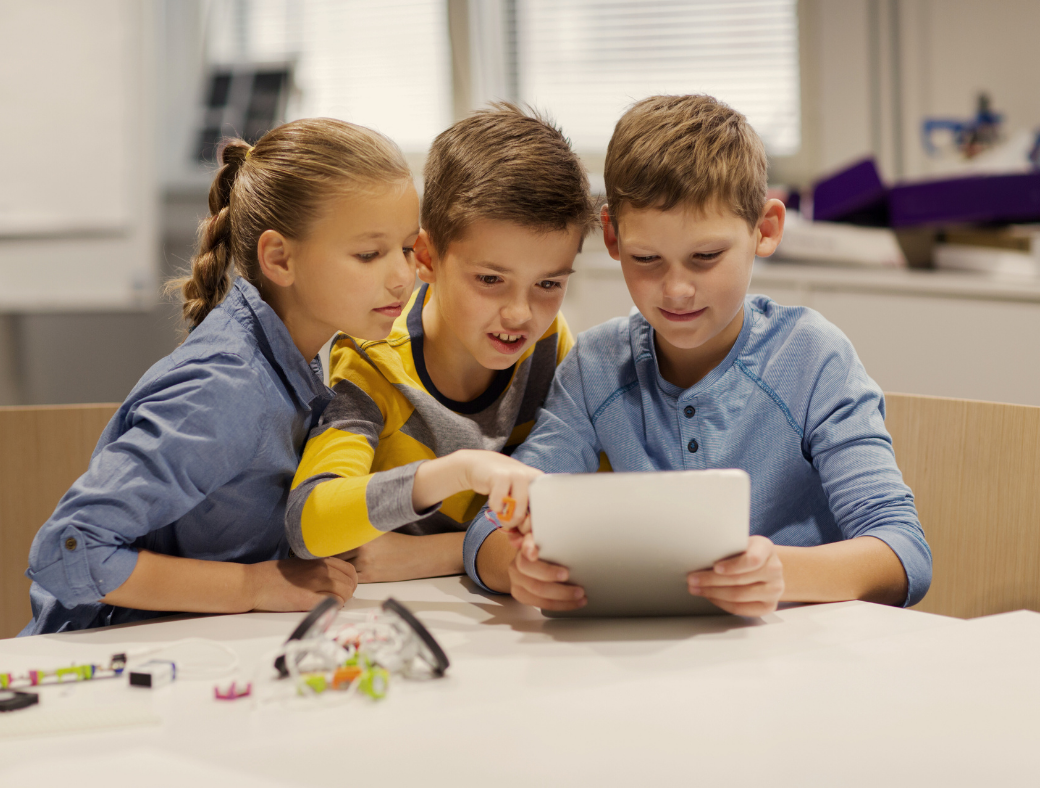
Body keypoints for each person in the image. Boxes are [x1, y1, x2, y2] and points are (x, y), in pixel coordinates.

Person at [466, 95, 932, 616]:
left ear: (766, 229)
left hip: (801, 653)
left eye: (706, 257)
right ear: (613, 238)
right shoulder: (595, 367)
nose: (677, 290)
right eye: (647, 259)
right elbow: (491, 526)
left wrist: (781, 574)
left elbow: (904, 552)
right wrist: (516, 567)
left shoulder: (811, 358)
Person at [23, 118, 421, 634]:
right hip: (112, 663)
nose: (403, 276)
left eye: (408, 248)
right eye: (369, 254)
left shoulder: (308, 351)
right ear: (279, 258)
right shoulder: (227, 388)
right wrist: (251, 587)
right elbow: (68, 550)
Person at [285, 104, 596, 582]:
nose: (520, 313)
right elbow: (309, 524)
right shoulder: (370, 360)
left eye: (549, 284)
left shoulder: (550, 344)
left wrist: (440, 553)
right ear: (426, 259)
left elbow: (583, 502)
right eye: (491, 279)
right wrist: (463, 470)